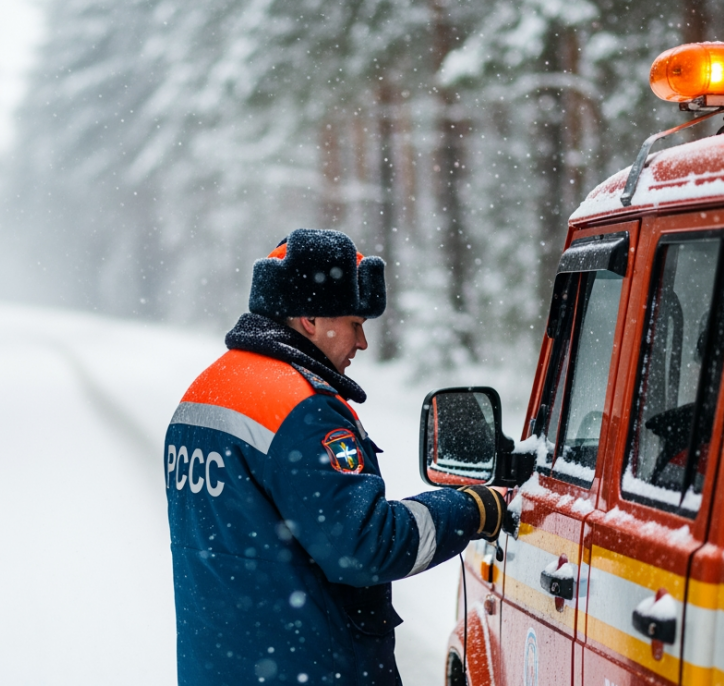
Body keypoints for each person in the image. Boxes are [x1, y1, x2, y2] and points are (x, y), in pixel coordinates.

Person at [164, 228, 506, 685]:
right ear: (310, 316)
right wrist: (472, 508)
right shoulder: (302, 409)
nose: (362, 343)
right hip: (308, 669)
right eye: (355, 324)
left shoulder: (206, 391)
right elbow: (367, 546)